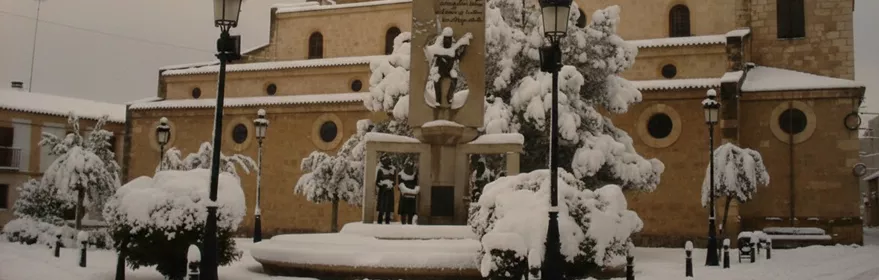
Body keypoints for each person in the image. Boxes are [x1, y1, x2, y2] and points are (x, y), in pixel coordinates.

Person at [375, 156, 396, 224]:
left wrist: (390, 184)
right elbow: (377, 182)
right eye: (385, 161)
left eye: (388, 161)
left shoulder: (393, 170)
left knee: (388, 208)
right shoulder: (380, 170)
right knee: (382, 207)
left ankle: (387, 221)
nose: (387, 163)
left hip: (390, 191)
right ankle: (379, 221)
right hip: (383, 192)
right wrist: (383, 184)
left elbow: (394, 181)